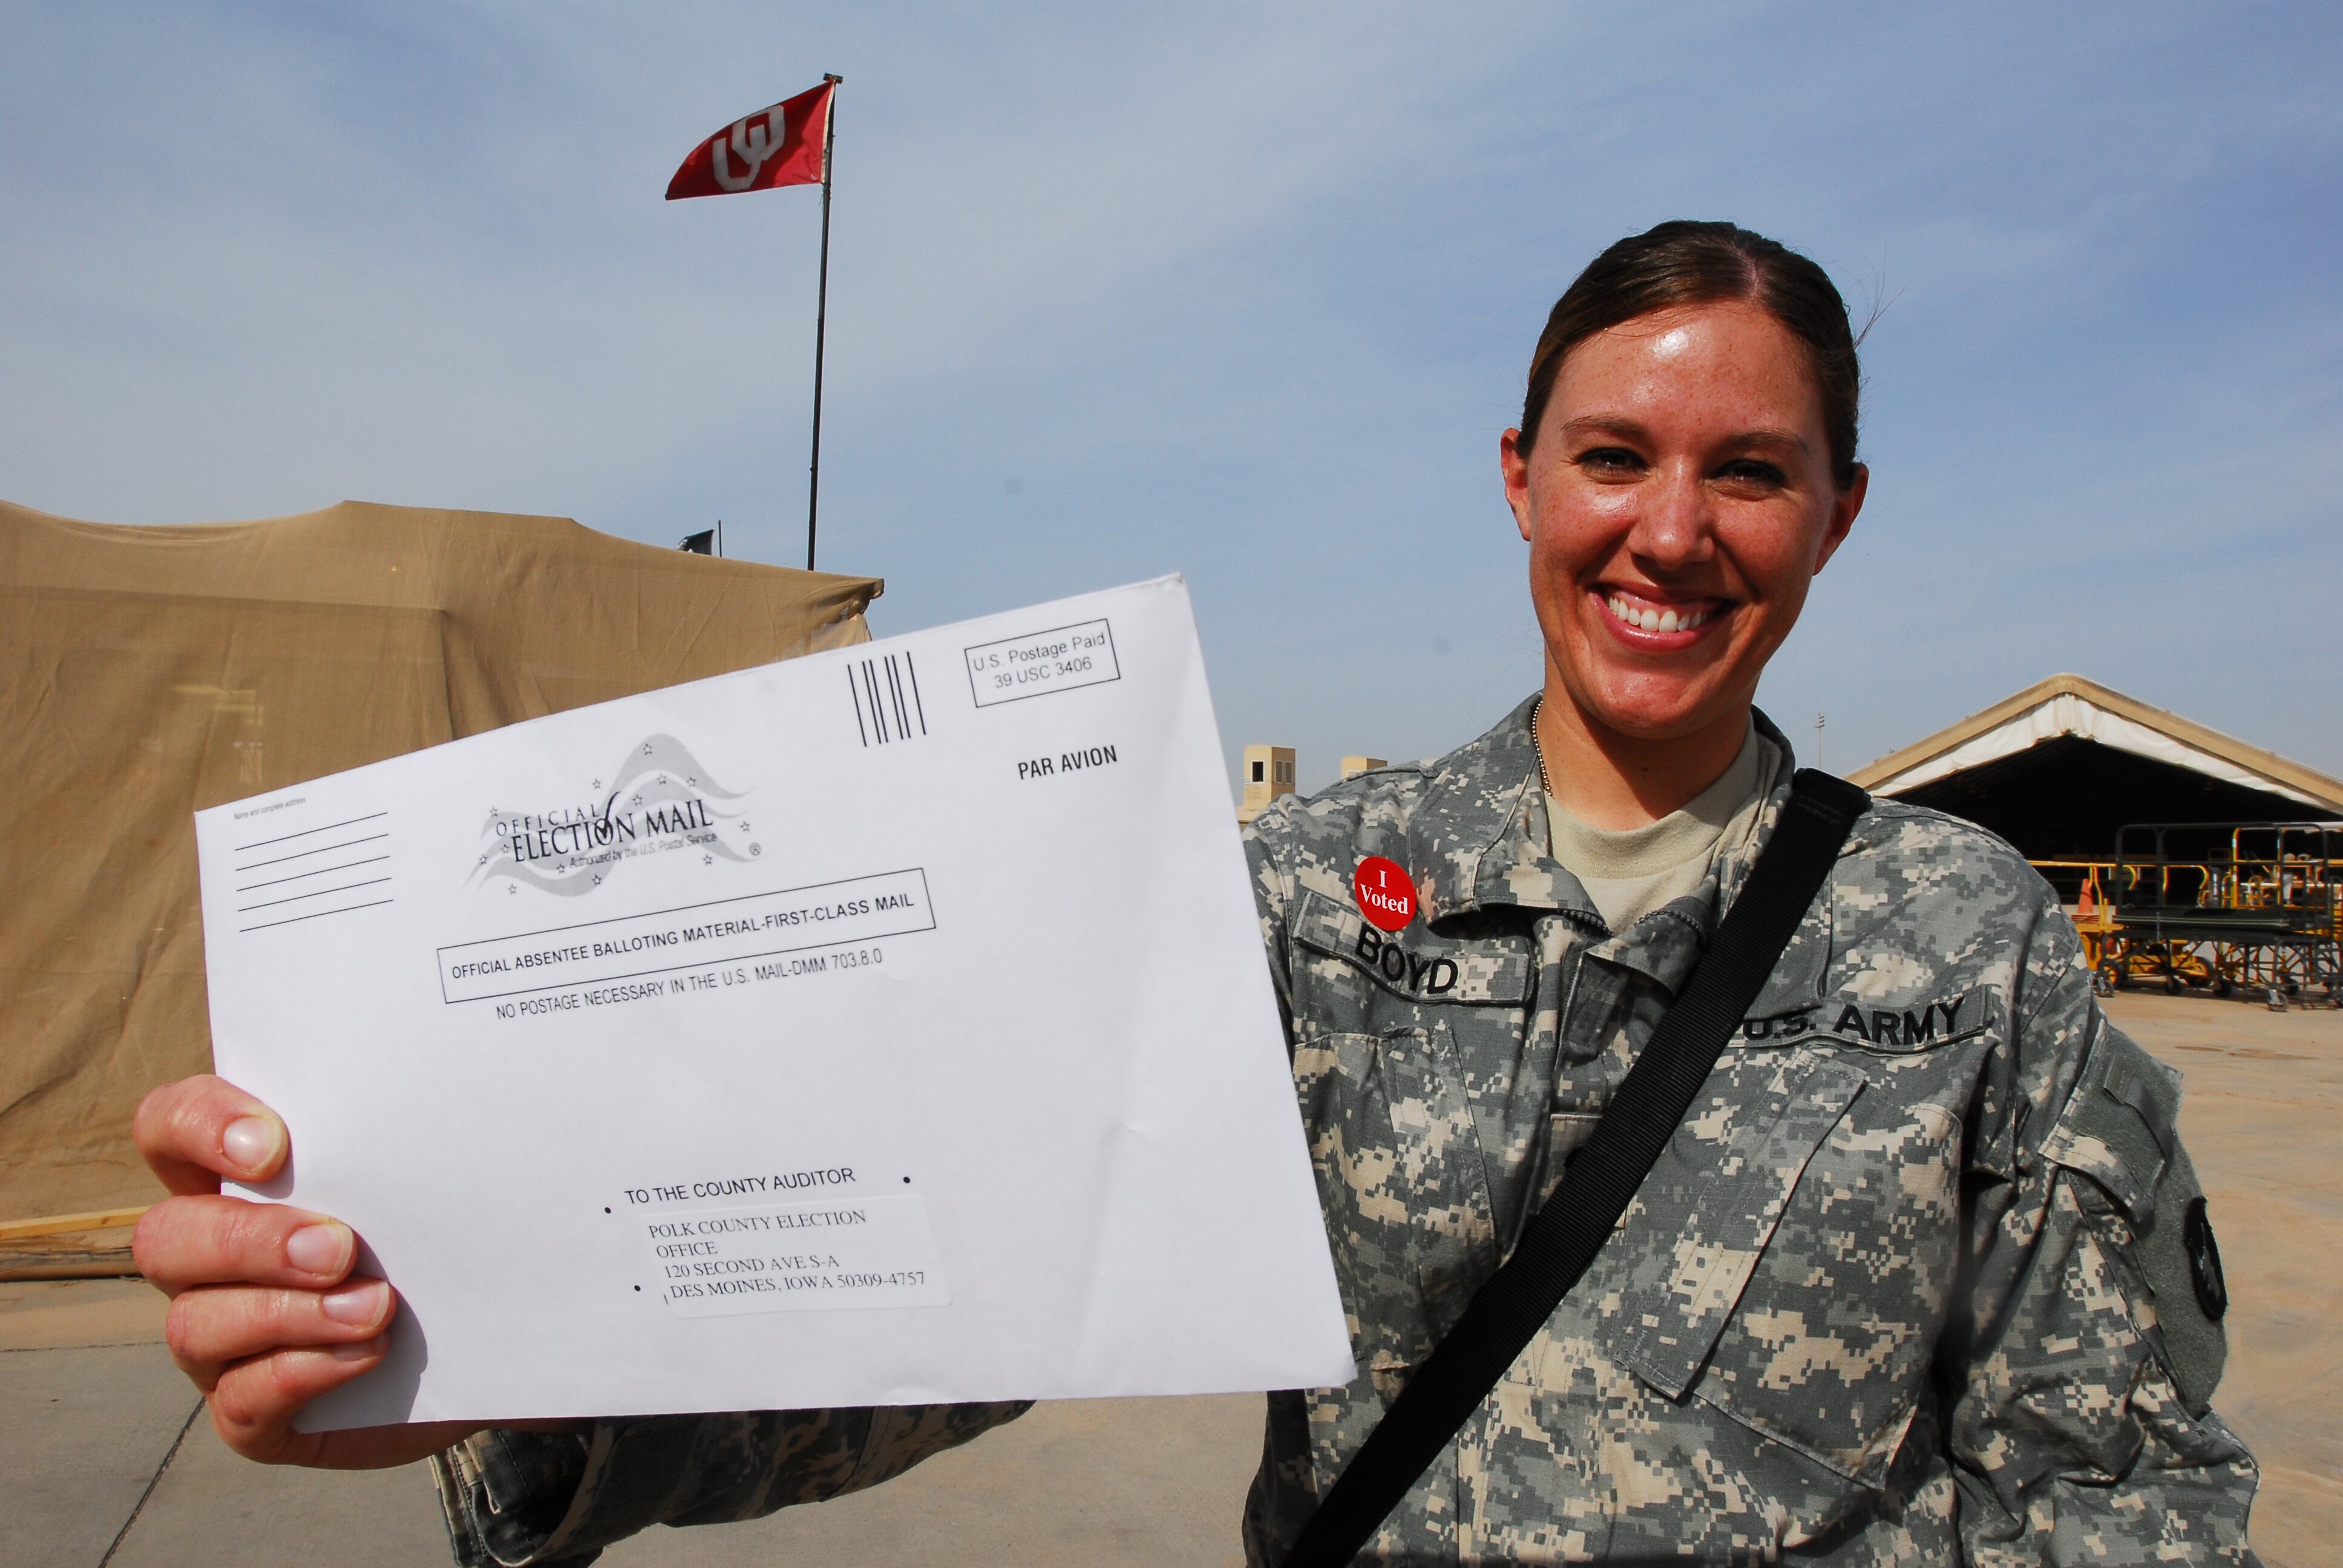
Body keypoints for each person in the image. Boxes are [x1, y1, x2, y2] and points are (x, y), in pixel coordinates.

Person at [131, 220, 2259, 1566]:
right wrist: (495, 1369)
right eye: (1614, 456)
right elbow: (959, 1298)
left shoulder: (1967, 943)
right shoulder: (1312, 901)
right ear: (1519, 479)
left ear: (1840, 516)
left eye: (1752, 473)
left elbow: (2112, 1470)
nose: (1671, 531)